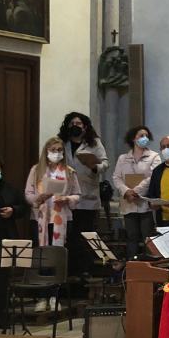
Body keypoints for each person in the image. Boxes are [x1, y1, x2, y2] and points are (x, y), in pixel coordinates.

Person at [24, 137, 81, 312]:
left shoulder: (69, 171)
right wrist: (38, 198)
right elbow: (28, 193)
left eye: (60, 150)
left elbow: (77, 194)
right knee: (42, 258)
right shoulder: (37, 170)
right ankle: (41, 297)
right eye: (53, 149)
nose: (57, 153)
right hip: (42, 219)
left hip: (60, 219)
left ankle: (55, 296)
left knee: (57, 258)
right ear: (46, 151)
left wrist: (67, 198)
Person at [58, 112, 109, 275]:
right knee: (69, 238)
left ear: (85, 126)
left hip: (87, 197)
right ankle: (70, 273)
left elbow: (105, 163)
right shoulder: (62, 143)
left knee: (84, 236)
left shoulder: (94, 143)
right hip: (67, 196)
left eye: (79, 123)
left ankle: (84, 273)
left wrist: (95, 167)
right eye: (72, 123)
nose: (75, 125)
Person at [112, 125, 161, 259]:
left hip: (144, 202)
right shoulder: (123, 158)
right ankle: (132, 268)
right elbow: (116, 177)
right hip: (128, 202)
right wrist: (126, 191)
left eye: (146, 135)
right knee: (131, 237)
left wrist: (137, 191)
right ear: (133, 138)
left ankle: (149, 268)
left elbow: (153, 176)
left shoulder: (154, 156)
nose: (144, 138)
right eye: (141, 136)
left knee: (148, 237)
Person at [0, 157, 28, 328]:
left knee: (2, 280)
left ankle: (2, 316)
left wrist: (12, 210)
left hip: (5, 237)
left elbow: (23, 207)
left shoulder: (11, 189)